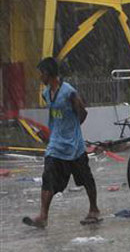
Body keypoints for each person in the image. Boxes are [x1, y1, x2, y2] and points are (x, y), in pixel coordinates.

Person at [23, 57, 100, 227]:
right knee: (48, 177)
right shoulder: (46, 94)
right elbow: (54, 115)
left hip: (74, 147)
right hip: (55, 146)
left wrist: (71, 131)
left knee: (85, 178)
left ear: (48, 73)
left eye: (41, 73)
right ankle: (43, 216)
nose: (40, 77)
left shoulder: (68, 92)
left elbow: (83, 113)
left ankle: (94, 209)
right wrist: (51, 134)